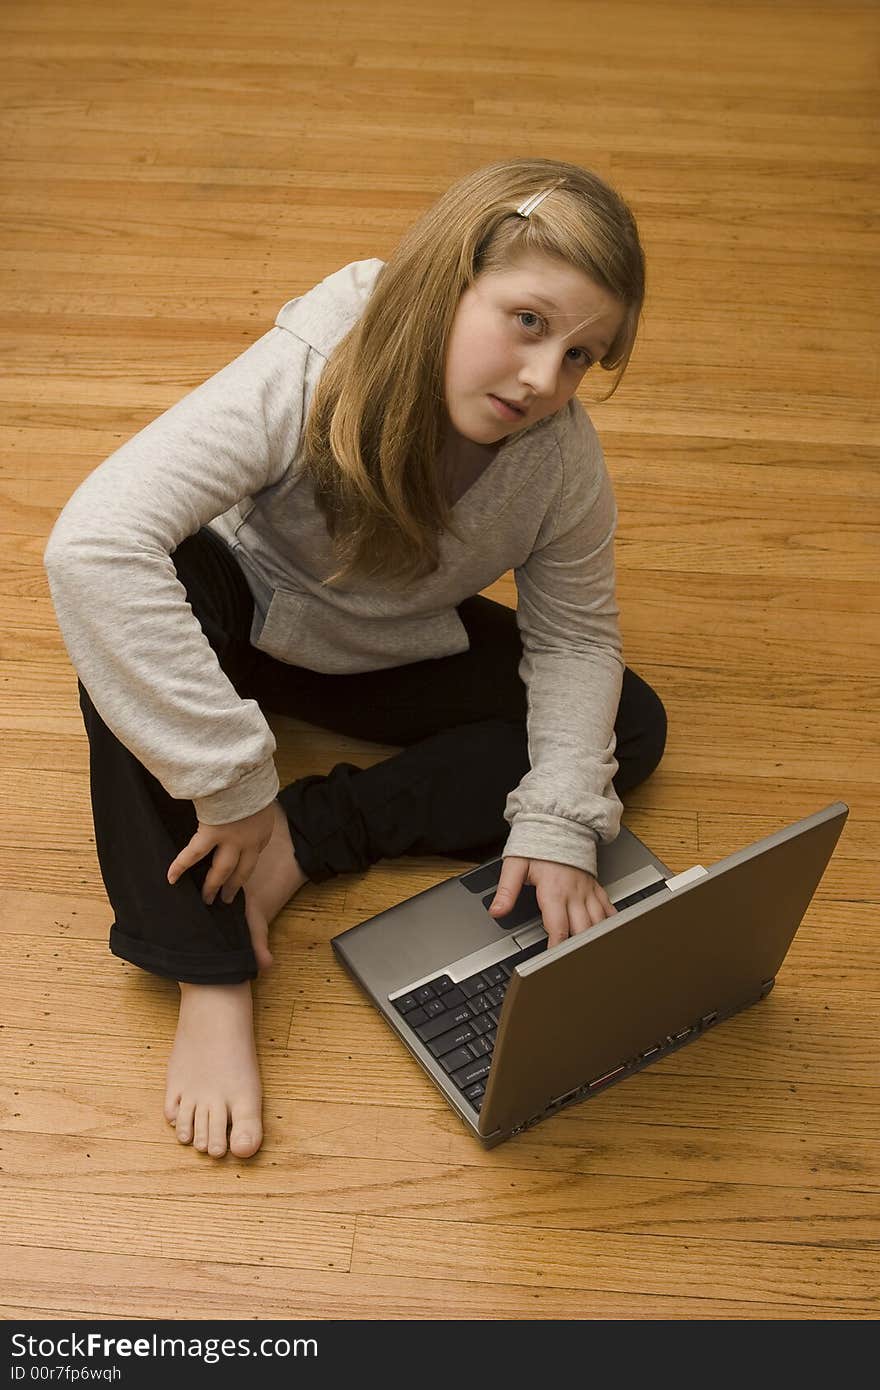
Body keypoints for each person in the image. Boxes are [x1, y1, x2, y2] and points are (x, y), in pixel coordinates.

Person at [44, 156, 667, 1161]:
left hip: (385, 637)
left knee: (626, 728)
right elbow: (94, 544)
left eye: (583, 355)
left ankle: (303, 841)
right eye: (527, 322)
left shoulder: (561, 463)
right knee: (123, 641)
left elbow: (576, 637)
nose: (544, 380)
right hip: (245, 601)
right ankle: (209, 967)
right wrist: (228, 778)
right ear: (450, 278)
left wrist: (555, 824)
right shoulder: (308, 367)